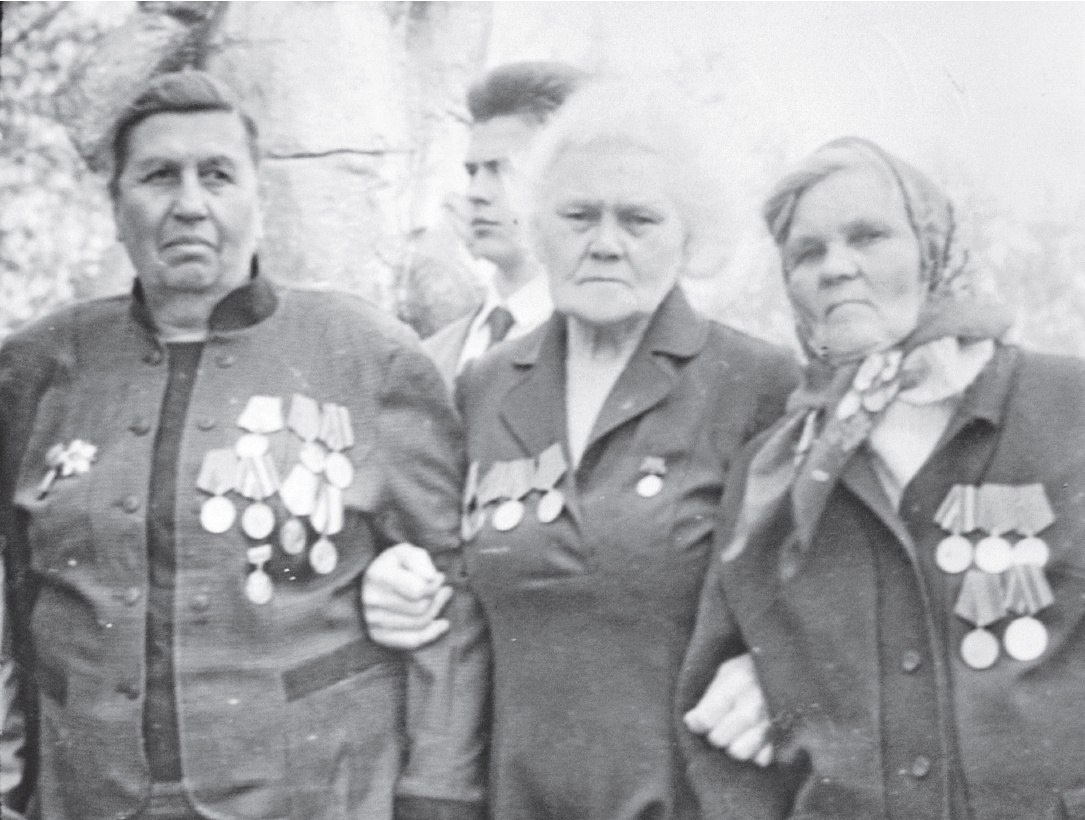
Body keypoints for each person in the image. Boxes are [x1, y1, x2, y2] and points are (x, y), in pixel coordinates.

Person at [0, 70, 484, 820]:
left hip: (315, 797)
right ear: (116, 207)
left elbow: (452, 592)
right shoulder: (38, 369)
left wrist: (439, 795)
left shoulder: (366, 356)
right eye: (159, 176)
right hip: (88, 795)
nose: (190, 204)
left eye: (217, 175)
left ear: (260, 200)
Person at [371, 80, 800, 818]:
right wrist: (390, 578)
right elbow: (448, 585)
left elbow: (819, 594)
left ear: (688, 237)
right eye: (578, 216)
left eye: (638, 219)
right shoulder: (484, 387)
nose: (605, 242)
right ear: (539, 229)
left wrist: (774, 671)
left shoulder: (754, 383)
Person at [678, 137, 1085, 819]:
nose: (836, 267)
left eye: (868, 236)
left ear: (932, 249)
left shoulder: (1067, 408)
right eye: (807, 253)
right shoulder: (775, 470)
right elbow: (718, 729)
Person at [423, 61, 585, 388]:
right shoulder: (429, 357)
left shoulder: (593, 352)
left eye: (503, 170)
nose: (477, 193)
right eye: (473, 172)